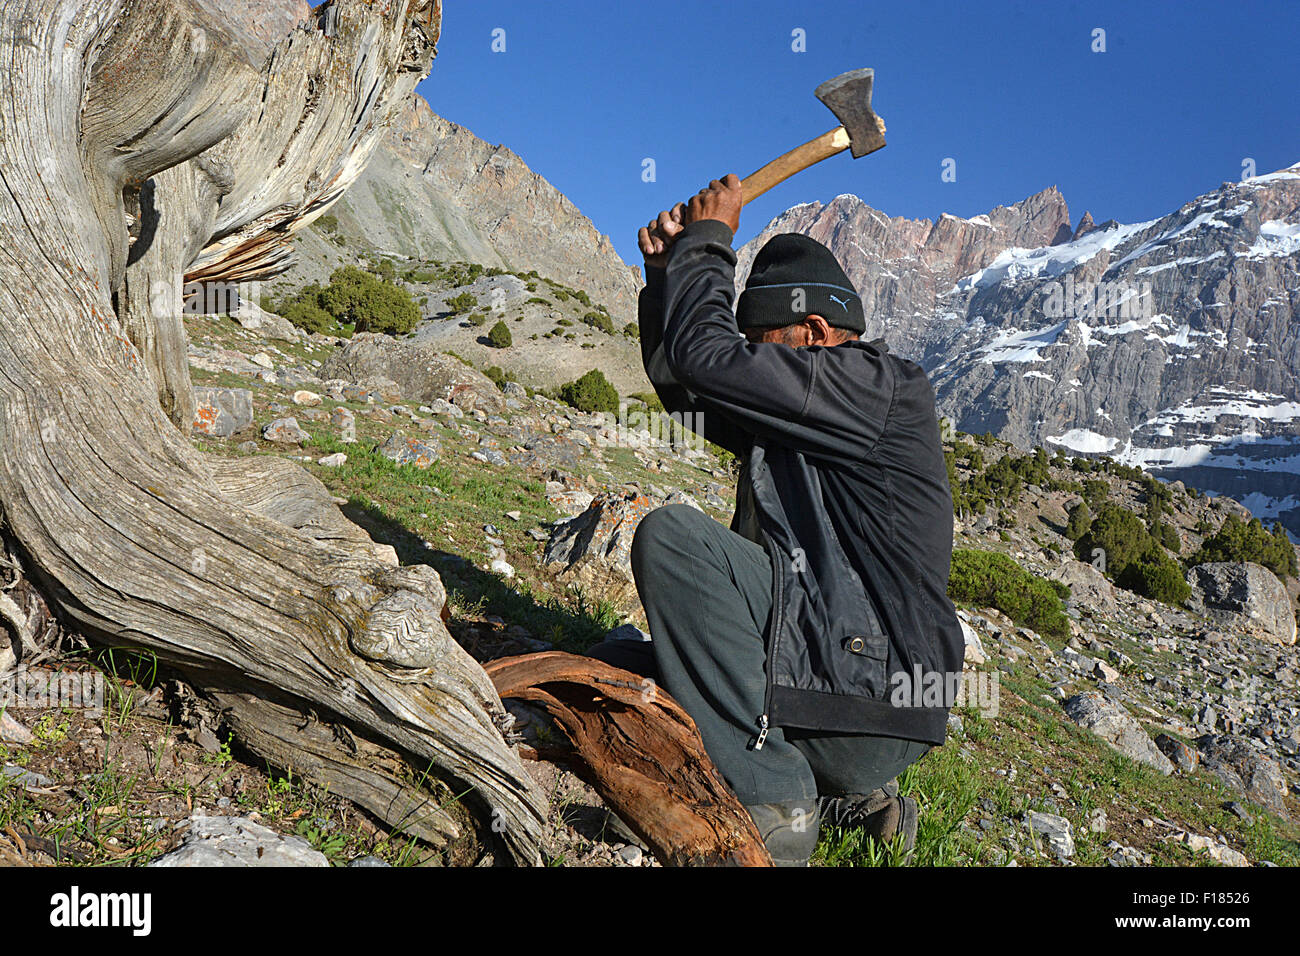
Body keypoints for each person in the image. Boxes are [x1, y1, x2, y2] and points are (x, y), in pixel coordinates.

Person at [588, 174, 964, 866]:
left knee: (674, 540)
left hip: (863, 696)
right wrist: (667, 276)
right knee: (618, 668)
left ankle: (773, 798)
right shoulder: (810, 409)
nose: (754, 361)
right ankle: (843, 797)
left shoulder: (879, 387)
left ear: (816, 332)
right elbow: (691, 386)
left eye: (764, 342)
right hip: (835, 690)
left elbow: (713, 360)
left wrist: (711, 242)